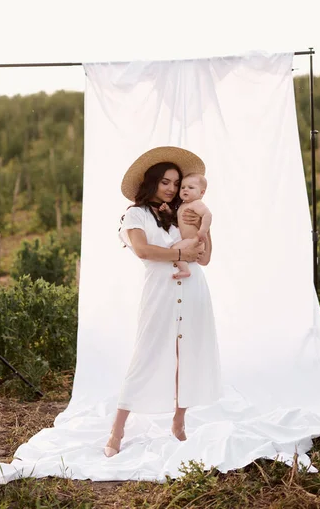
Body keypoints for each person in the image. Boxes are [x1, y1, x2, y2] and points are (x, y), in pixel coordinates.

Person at [104, 146, 222, 457]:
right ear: (152, 182)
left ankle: (179, 424)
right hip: (160, 291)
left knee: (187, 357)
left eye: (176, 182)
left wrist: (202, 231)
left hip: (194, 289)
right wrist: (181, 253)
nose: (171, 189)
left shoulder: (184, 213)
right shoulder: (136, 215)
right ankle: (117, 431)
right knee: (145, 354)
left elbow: (205, 258)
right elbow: (143, 251)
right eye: (165, 182)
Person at [162, 173, 212, 279]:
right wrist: (168, 210)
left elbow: (207, 215)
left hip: (195, 239)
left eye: (191, 187)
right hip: (190, 240)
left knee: (175, 249)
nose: (185, 190)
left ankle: (185, 270)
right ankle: (185, 269)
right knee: (177, 250)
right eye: (183, 187)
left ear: (202, 192)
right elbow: (177, 219)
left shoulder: (196, 203)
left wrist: (203, 230)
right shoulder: (183, 205)